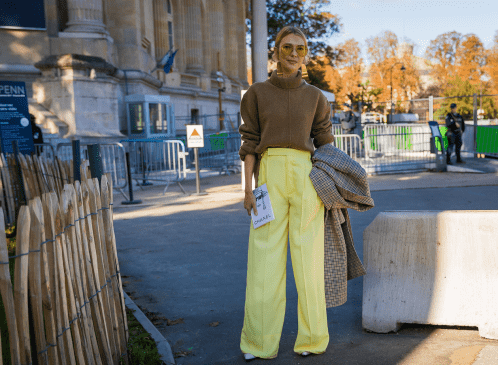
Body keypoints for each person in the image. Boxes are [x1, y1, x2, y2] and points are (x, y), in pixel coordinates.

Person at [238, 26, 335, 362]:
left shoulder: (316, 97)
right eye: (288, 47)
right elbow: (249, 143)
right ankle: (258, 342)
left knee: (309, 260)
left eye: (301, 49)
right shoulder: (256, 93)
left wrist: (329, 186)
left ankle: (312, 338)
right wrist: (247, 188)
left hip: (308, 176)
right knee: (264, 260)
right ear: (275, 51)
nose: (294, 53)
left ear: (305, 55)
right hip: (269, 175)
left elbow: (326, 145)